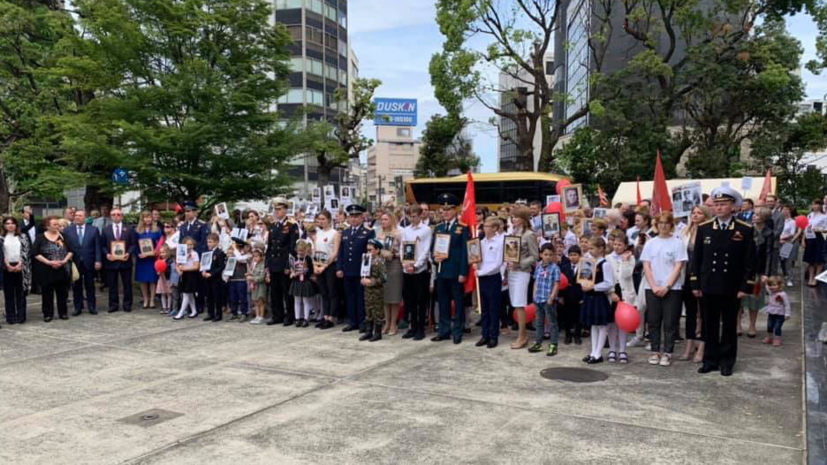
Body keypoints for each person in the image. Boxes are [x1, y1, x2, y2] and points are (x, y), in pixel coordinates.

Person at [691, 186, 756, 377]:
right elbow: (697, 259)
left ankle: (727, 361)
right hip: (709, 285)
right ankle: (709, 360)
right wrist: (695, 283)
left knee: (728, 325)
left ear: (733, 206)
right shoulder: (704, 229)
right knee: (709, 324)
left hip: (731, 286)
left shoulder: (744, 230)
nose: (719, 208)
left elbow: (750, 260)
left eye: (724, 204)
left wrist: (746, 286)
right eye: (716, 204)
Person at [640, 212, 688, 367]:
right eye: (660, 223)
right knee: (653, 320)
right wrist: (654, 286)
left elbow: (678, 266)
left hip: (672, 289)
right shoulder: (650, 243)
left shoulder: (677, 242)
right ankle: (655, 350)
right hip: (652, 287)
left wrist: (667, 286)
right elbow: (646, 266)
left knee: (670, 321)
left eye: (666, 223)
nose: (663, 226)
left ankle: (667, 352)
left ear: (671, 225)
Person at [431, 193, 470, 345]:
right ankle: (444, 331)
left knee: (459, 303)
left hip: (455, 271)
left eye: (449, 209)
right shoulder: (439, 227)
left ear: (455, 210)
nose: (445, 212)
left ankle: (458, 332)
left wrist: (463, 272)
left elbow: (465, 253)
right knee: (443, 303)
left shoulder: (461, 228)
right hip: (442, 270)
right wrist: (434, 258)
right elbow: (433, 249)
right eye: (443, 209)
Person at [679, 205, 711, 363]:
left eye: (699, 213)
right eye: (693, 213)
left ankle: (703, 348)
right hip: (686, 276)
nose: (695, 215)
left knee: (705, 313)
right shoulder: (685, 232)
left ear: (705, 216)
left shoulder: (710, 231)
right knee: (690, 313)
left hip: (704, 277)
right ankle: (689, 345)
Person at [337, 204, 375, 332]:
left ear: (362, 217)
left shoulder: (368, 232)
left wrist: (366, 271)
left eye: (356, 216)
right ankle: (352, 321)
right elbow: (341, 252)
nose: (353, 219)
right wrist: (339, 268)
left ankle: (362, 321)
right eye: (351, 216)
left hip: (361, 270)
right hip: (347, 270)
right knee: (350, 296)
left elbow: (369, 252)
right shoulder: (346, 232)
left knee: (361, 297)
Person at [507, 206, 540, 349]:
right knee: (515, 303)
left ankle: (522, 336)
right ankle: (521, 334)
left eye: (516, 217)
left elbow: (535, 256)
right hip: (512, 272)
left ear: (523, 219)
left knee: (520, 304)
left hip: (522, 272)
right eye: (512, 217)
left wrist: (519, 263)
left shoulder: (529, 234)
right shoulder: (514, 232)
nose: (513, 219)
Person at [739, 207, 774, 338]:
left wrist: (766, 273)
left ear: (764, 217)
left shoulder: (769, 233)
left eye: (757, 215)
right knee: (740, 297)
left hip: (758, 269)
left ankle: (752, 325)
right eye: (754, 214)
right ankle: (738, 324)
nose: (754, 216)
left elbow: (769, 253)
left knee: (755, 298)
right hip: (743, 268)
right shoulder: (747, 229)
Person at [400, 204, 433, 341]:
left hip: (420, 270)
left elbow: (425, 250)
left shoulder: (426, 230)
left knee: (421, 300)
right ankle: (412, 327)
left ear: (420, 215)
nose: (412, 219)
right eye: (410, 216)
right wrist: (405, 263)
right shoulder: (406, 230)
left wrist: (416, 264)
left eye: (415, 216)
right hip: (407, 269)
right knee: (410, 300)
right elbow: (403, 247)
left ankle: (420, 328)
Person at [32, 216, 74, 322]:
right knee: (47, 293)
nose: (57, 226)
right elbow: (35, 253)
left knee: (62, 292)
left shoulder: (63, 236)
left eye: (58, 225)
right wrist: (49, 262)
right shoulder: (40, 237)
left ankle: (63, 312)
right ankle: (48, 314)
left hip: (62, 268)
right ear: (47, 226)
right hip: (46, 269)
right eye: (55, 224)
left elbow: (71, 250)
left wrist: (64, 261)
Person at [580, 237, 615, 364]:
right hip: (590, 297)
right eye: (589, 248)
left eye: (592, 248)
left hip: (599, 297)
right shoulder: (589, 262)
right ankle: (593, 351)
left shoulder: (605, 264)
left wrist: (593, 287)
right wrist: (584, 284)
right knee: (593, 325)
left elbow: (609, 283)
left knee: (601, 326)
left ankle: (598, 353)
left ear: (601, 249)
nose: (589, 251)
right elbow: (584, 277)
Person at [266, 198, 299, 326]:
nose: (277, 212)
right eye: (276, 209)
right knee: (275, 292)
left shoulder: (291, 225)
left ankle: (290, 316)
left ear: (285, 210)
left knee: (286, 292)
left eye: (280, 209)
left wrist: (288, 265)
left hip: (284, 262)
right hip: (274, 262)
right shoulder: (273, 226)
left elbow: (292, 247)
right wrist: (267, 265)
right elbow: (270, 247)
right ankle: (277, 315)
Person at [473, 216, 505, 348]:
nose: (484, 228)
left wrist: (481, 272)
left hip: (492, 278)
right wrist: (476, 263)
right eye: (484, 226)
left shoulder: (499, 242)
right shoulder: (482, 242)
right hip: (482, 278)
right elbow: (479, 258)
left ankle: (493, 336)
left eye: (487, 226)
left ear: (495, 228)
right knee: (484, 308)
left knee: (493, 308)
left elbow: (497, 264)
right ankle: (484, 334)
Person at [63, 210, 101, 316]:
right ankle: (78, 307)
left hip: (89, 261)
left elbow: (97, 247)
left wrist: (98, 260)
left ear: (85, 217)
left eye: (80, 216)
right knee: (76, 286)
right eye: (76, 216)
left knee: (90, 285)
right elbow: (65, 247)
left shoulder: (93, 230)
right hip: (75, 262)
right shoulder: (68, 231)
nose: (77, 217)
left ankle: (92, 307)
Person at [607, 231, 636, 364]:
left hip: (625, 292)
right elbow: (607, 277)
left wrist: (625, 261)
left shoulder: (631, 258)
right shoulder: (608, 258)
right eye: (615, 244)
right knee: (612, 323)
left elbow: (626, 275)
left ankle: (623, 350)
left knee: (622, 324)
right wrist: (610, 292)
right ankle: (612, 349)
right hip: (612, 292)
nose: (617, 247)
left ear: (625, 246)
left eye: (620, 245)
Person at [528, 243, 561, 356]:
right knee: (539, 322)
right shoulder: (539, 266)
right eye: (545, 254)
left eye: (550, 255)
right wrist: (534, 295)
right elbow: (536, 281)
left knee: (552, 322)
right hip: (538, 299)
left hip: (548, 299)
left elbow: (557, 284)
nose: (548, 257)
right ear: (541, 254)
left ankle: (553, 344)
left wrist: (552, 297)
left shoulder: (555, 268)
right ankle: (538, 343)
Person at [101, 208, 135, 313]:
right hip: (111, 262)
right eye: (114, 214)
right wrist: (107, 254)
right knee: (112, 285)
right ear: (111, 216)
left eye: (118, 214)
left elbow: (133, 244)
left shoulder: (129, 229)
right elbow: (102, 245)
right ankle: (113, 305)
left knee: (127, 285)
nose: (116, 216)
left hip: (125, 261)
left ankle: (127, 304)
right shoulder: (105, 230)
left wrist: (128, 253)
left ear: (122, 216)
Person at [179, 203, 210, 313]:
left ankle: (199, 305)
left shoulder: (201, 225)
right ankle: (188, 306)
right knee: (187, 283)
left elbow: (204, 243)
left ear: (195, 212)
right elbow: (181, 244)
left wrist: (199, 258)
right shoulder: (183, 226)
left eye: (189, 211)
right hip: (186, 260)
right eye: (186, 211)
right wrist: (181, 259)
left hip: (196, 258)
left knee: (199, 283)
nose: (187, 213)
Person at [312, 210, 340, 330]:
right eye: (319, 219)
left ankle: (331, 317)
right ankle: (325, 315)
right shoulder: (318, 233)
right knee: (323, 292)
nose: (321, 221)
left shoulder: (335, 233)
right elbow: (315, 250)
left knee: (332, 291)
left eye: (323, 219)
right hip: (318, 265)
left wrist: (325, 265)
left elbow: (335, 252)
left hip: (330, 266)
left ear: (329, 220)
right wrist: (315, 266)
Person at [1, 217, 32, 324]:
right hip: (6, 267)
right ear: (4, 225)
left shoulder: (23, 237)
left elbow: (27, 251)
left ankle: (21, 316)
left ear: (16, 225)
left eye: (12, 223)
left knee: (21, 293)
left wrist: (20, 263)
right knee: (9, 294)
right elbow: (2, 253)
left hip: (21, 266)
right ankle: (11, 317)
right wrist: (7, 265)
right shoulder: (1, 238)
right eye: (7, 223)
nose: (10, 225)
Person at [377, 212, 403, 335]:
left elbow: (404, 250)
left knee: (394, 296)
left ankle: (393, 323)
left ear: (391, 220)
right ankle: (387, 322)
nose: (383, 222)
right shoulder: (379, 234)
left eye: (386, 219)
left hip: (394, 265)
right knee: (385, 297)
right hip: (382, 265)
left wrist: (394, 253)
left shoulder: (398, 233)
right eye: (381, 219)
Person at [360, 239, 387, 342]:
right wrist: (362, 279)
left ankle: (378, 333)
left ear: (377, 250)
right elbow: (364, 272)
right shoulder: (366, 260)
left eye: (371, 250)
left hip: (377, 291)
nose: (368, 252)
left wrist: (372, 281)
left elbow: (384, 278)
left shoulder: (380, 262)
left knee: (377, 311)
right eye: (367, 250)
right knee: (368, 310)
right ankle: (368, 331)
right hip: (368, 290)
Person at [134, 211, 162, 310]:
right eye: (145, 218)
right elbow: (134, 245)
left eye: (149, 217)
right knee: (143, 280)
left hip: (152, 259)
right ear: (142, 219)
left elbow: (161, 243)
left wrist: (156, 251)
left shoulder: (157, 230)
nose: (147, 219)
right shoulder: (137, 231)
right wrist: (138, 254)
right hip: (142, 260)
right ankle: (145, 299)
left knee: (152, 280)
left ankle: (152, 300)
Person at [559, 245, 583, 345]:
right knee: (567, 317)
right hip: (567, 296)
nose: (573, 257)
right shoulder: (564, 267)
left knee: (578, 317)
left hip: (579, 296)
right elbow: (560, 282)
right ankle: (568, 335)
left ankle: (577, 335)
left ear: (580, 256)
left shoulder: (584, 267)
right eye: (571, 255)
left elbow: (586, 282)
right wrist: (560, 296)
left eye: (575, 255)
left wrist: (583, 297)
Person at [289, 241, 316, 327]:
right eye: (299, 250)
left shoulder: (307, 258)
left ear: (305, 250)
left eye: (302, 251)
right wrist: (293, 273)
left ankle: (306, 318)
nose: (300, 252)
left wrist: (305, 270)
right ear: (296, 250)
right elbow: (291, 268)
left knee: (305, 301)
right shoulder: (293, 258)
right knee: (297, 300)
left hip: (305, 281)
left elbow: (311, 270)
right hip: (296, 281)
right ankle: (297, 318)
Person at [173, 237, 200, 320]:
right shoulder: (181, 253)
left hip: (191, 275)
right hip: (184, 275)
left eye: (191, 244)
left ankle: (181, 312)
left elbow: (196, 267)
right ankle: (194, 311)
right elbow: (177, 264)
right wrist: (179, 271)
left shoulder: (194, 254)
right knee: (190, 294)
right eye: (187, 244)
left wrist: (185, 269)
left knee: (186, 294)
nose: (189, 246)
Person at [202, 233, 226, 322]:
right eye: (208, 242)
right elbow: (204, 264)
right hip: (207, 277)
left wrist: (211, 274)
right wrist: (203, 271)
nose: (208, 244)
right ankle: (210, 313)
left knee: (217, 296)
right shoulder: (207, 252)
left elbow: (221, 266)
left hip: (216, 278)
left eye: (210, 242)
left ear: (216, 242)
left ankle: (218, 314)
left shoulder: (219, 253)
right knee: (209, 296)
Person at [761, 276, 791, 347]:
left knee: (777, 327)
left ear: (780, 285)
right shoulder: (771, 292)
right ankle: (769, 337)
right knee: (769, 326)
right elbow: (767, 287)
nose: (772, 287)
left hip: (780, 314)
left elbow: (787, 304)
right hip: (771, 312)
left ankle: (777, 338)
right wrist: (766, 281)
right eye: (771, 285)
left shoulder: (783, 294)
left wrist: (787, 314)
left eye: (774, 285)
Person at [228, 239, 252, 323]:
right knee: (233, 297)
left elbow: (240, 259)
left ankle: (244, 313)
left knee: (242, 297)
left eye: (241, 247)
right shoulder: (234, 254)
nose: (241, 249)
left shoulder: (248, 255)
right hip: (233, 278)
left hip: (242, 279)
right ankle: (233, 312)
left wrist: (235, 249)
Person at [804, 199, 827, 287]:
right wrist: (803, 239)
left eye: (816, 204)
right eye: (813, 204)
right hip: (810, 238)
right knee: (810, 260)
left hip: (819, 238)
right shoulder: (810, 215)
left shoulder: (824, 217)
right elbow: (806, 228)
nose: (814, 206)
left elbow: (826, 229)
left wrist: (818, 229)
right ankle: (810, 277)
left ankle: (816, 278)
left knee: (818, 260)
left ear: (820, 206)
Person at [779, 205, 800, 287]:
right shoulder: (780, 220)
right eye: (783, 209)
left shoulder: (792, 221)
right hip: (778, 242)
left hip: (787, 243)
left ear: (790, 211)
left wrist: (783, 238)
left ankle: (789, 278)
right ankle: (785, 275)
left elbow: (792, 233)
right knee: (781, 262)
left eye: (786, 209)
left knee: (788, 262)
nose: (784, 211)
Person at [247, 246, 267, 324]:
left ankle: (261, 316)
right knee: (255, 301)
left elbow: (262, 277)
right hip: (254, 286)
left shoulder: (263, 265)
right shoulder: (255, 265)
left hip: (261, 286)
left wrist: (252, 278)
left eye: (257, 256)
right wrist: (249, 274)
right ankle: (257, 316)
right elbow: (253, 273)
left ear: (262, 257)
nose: (255, 258)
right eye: (254, 256)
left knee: (260, 301)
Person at [156, 245, 174, 314]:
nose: (162, 254)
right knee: (162, 293)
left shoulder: (170, 261)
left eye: (164, 252)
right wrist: (158, 272)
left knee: (169, 293)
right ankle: (164, 307)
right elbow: (157, 268)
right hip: (161, 279)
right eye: (161, 252)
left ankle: (169, 307)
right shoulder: (159, 260)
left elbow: (170, 270)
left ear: (168, 252)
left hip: (167, 279)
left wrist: (164, 269)